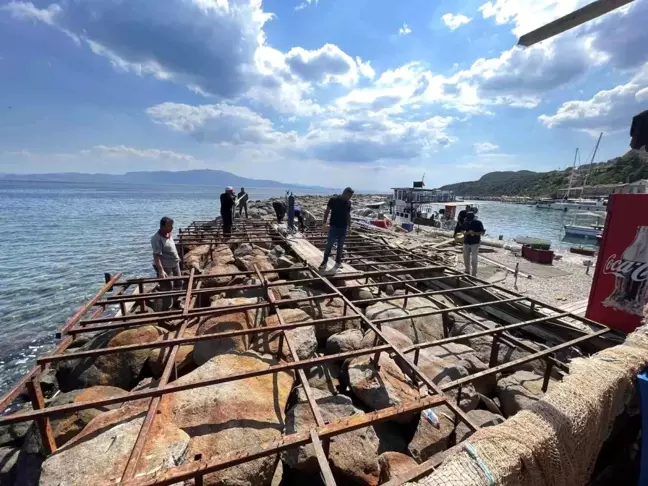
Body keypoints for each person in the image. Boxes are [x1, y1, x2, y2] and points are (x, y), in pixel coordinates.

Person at [151, 217, 182, 310]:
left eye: (172, 225)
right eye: (169, 226)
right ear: (162, 226)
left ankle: (177, 303)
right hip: (165, 266)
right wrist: (161, 270)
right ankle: (167, 310)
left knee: (178, 283)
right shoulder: (157, 238)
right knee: (167, 288)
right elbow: (156, 256)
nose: (172, 227)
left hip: (174, 263)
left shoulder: (168, 234)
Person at [319, 187, 354, 270]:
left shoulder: (348, 203)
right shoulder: (333, 199)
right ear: (345, 193)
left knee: (340, 246)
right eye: (349, 196)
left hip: (343, 228)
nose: (350, 198)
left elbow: (348, 215)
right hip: (333, 227)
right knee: (329, 245)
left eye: (351, 196)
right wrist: (324, 223)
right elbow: (327, 211)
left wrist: (349, 226)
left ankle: (338, 262)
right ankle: (324, 262)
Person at [462, 212, 485, 276]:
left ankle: (474, 273)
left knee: (474, 259)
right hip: (466, 242)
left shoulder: (478, 223)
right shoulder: (465, 222)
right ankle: (467, 270)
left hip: (475, 243)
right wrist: (466, 233)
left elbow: (482, 232)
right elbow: (462, 230)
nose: (469, 221)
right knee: (465, 257)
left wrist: (474, 233)